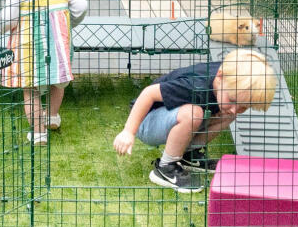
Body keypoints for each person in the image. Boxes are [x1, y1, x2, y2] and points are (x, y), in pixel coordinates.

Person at [112, 49, 276, 193]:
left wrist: (230, 106)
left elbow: (231, 105)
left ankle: (187, 156)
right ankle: (165, 167)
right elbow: (148, 93)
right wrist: (128, 132)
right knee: (193, 113)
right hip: (147, 121)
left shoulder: (230, 78)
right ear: (220, 77)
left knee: (226, 114)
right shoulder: (196, 85)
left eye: (243, 107)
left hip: (173, 116)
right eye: (233, 100)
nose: (235, 108)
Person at [0, 0, 88, 146]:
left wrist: (0, 26)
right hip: (58, 45)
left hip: (29, 49)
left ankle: (38, 133)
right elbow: (81, 7)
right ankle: (52, 116)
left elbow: (8, 20)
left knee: (31, 89)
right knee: (58, 82)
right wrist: (67, 24)